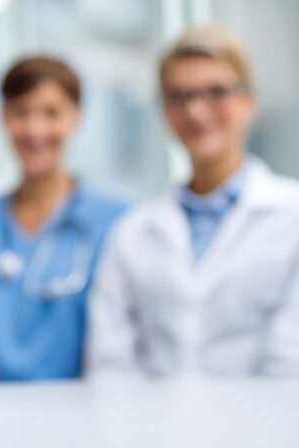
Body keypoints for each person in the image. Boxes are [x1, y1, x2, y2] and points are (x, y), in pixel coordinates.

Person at [86, 25, 299, 378]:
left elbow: (291, 357)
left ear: (249, 101)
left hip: (273, 428)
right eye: (180, 96)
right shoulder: (132, 231)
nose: (197, 111)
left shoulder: (291, 214)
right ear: (165, 111)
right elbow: (110, 365)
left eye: (216, 92)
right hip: (152, 431)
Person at [0, 56, 128, 382]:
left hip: (90, 415)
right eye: (21, 112)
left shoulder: (117, 222)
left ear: (76, 116)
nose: (34, 129)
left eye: (51, 113)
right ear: (4, 117)